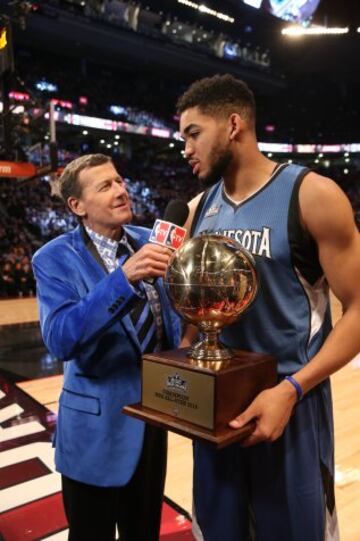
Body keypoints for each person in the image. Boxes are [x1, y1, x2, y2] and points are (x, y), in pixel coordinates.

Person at [177, 74, 360, 541]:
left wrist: (293, 389)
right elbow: (194, 323)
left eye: (193, 133)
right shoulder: (199, 208)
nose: (185, 148)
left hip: (289, 406)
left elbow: (359, 308)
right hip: (218, 409)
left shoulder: (312, 195)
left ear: (233, 124)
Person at [32, 154, 181, 541]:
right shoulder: (53, 259)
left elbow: (173, 324)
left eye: (119, 181)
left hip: (152, 423)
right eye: (105, 186)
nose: (120, 191)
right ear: (77, 206)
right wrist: (123, 279)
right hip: (93, 432)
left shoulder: (151, 240)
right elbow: (62, 338)